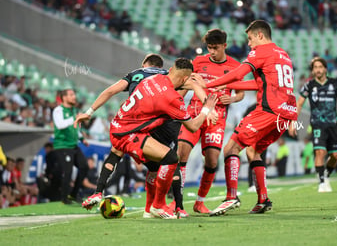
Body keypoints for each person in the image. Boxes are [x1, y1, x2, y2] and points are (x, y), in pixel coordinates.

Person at [76, 58, 217, 219]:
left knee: (153, 167)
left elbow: (188, 84)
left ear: (170, 70)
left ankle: (147, 209)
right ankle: (158, 206)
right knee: (171, 158)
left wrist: (88, 112)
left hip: (120, 124)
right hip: (128, 133)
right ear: (184, 79)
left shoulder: (154, 78)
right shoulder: (172, 98)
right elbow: (192, 126)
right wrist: (206, 110)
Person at [204, 20, 297, 215]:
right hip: (286, 113)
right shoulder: (283, 54)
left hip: (268, 111)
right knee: (253, 151)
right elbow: (258, 84)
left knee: (231, 148)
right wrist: (225, 86)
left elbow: (240, 72)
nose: (249, 43)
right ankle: (263, 199)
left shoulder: (260, 52)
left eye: (250, 38)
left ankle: (231, 197)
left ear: (260, 35)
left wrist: (212, 84)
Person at [176, 29, 245, 215]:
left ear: (225, 46)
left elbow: (240, 92)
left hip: (217, 119)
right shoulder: (198, 62)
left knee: (212, 162)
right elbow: (185, 84)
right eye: (209, 48)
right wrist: (176, 102)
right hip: (195, 114)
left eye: (216, 48)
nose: (212, 51)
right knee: (182, 154)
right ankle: (178, 204)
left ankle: (199, 202)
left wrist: (233, 99)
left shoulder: (236, 66)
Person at [289, 57, 337, 192]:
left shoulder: (335, 83)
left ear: (325, 69)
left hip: (333, 124)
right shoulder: (309, 85)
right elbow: (299, 104)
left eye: (320, 67)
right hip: (317, 124)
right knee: (320, 152)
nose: (317, 70)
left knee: (335, 155)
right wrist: (293, 122)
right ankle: (322, 182)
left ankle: (326, 174)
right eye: (315, 68)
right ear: (312, 71)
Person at [51, 88, 89, 204]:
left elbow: (75, 127)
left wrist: (82, 138)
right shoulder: (58, 110)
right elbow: (60, 125)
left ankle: (73, 194)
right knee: (68, 171)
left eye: (74, 94)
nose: (74, 97)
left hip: (73, 145)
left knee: (84, 167)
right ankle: (63, 198)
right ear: (64, 97)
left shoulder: (74, 110)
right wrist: (75, 118)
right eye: (71, 95)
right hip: (62, 145)